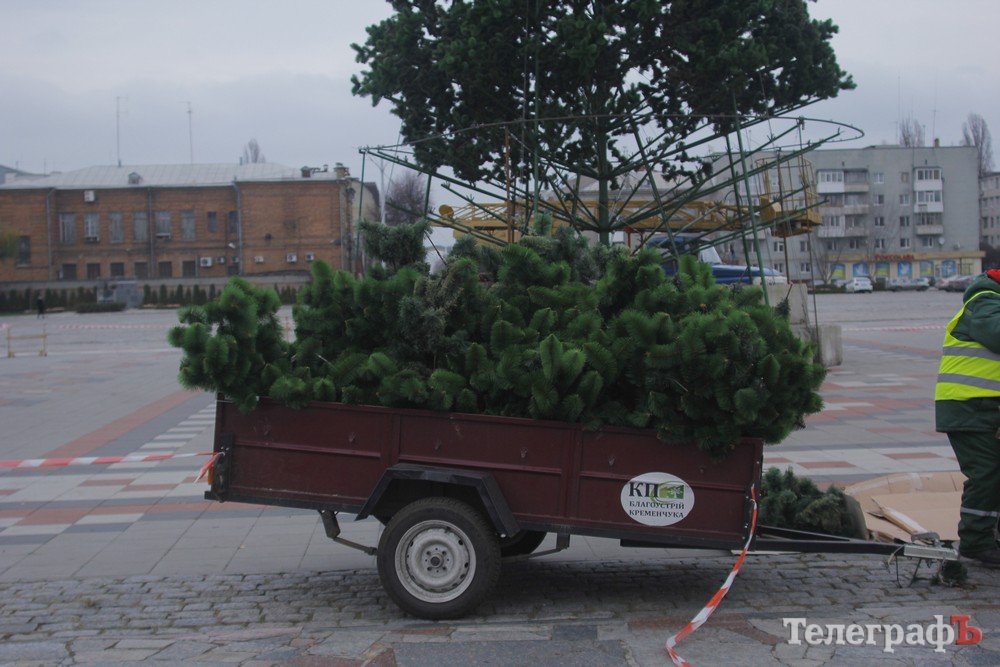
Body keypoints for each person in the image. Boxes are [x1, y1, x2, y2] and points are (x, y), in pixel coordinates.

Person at [936, 268, 1000, 567]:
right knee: (987, 472)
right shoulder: (984, 301)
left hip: (985, 408)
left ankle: (989, 537)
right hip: (968, 407)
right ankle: (975, 542)